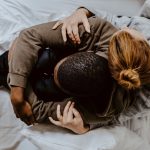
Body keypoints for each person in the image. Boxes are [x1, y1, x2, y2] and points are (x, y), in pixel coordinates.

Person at [7, 16, 135, 133]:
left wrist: (13, 65)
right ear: (86, 51)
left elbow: (36, 112)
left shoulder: (96, 110)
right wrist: (17, 95)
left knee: (41, 85)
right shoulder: (105, 34)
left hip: (63, 94)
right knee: (43, 57)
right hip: (63, 55)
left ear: (75, 98)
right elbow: (29, 35)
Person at [52, 7, 150, 90]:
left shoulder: (140, 26)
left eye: (128, 29)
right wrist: (83, 12)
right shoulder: (140, 26)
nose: (124, 26)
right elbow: (112, 20)